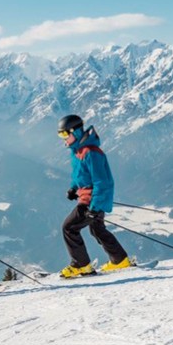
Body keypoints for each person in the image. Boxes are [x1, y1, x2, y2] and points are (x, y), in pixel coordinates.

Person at [57, 114, 132, 278]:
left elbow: (102, 181)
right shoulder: (77, 151)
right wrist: (73, 188)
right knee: (97, 229)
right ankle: (119, 260)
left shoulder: (91, 152)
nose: (62, 139)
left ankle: (81, 265)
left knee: (69, 228)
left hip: (91, 200)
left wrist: (94, 206)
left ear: (75, 132)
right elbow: (81, 175)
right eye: (60, 135)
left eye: (64, 134)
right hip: (90, 197)